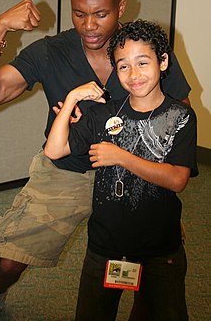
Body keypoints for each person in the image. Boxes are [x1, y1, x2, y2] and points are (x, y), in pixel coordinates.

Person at [0, 0, 191, 321]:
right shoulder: (50, 52)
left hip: (130, 172)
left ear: (121, 8)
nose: (89, 25)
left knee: (152, 268)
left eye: (100, 14)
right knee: (9, 259)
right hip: (67, 170)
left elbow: (177, 115)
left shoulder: (142, 51)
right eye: (79, 13)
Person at [44, 19, 198, 321]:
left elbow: (178, 179)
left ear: (163, 61)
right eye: (123, 66)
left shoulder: (180, 116)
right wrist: (72, 99)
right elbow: (54, 150)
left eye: (143, 62)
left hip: (160, 250)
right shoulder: (105, 113)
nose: (134, 74)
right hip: (105, 246)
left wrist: (120, 156)